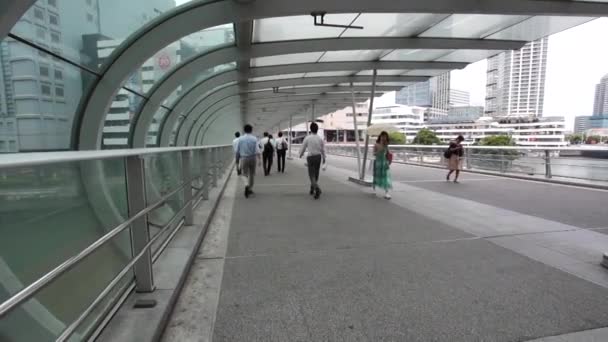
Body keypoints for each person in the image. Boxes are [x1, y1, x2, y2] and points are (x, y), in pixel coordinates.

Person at [299, 122, 326, 199]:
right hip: (318, 157)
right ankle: (312, 189)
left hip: (310, 158)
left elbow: (303, 147)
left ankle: (317, 189)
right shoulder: (320, 138)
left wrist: (300, 154)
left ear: (310, 129)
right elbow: (323, 149)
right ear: (317, 130)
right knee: (316, 174)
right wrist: (324, 158)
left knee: (311, 175)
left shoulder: (307, 138)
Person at [236, 124, 261, 198]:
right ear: (251, 130)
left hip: (244, 158)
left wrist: (237, 160)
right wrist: (259, 159)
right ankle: (250, 188)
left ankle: (246, 184)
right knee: (252, 174)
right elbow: (257, 150)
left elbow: (237, 151)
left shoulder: (240, 139)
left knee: (244, 174)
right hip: (253, 158)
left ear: (244, 130)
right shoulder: (254, 139)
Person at [373, 131, 393, 199]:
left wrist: (388, 162)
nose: (384, 137)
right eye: (383, 136)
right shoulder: (376, 144)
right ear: (380, 136)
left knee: (386, 177)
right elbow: (374, 154)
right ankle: (374, 188)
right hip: (378, 162)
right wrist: (379, 151)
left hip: (384, 162)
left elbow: (387, 154)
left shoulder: (386, 145)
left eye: (385, 136)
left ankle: (386, 193)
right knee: (376, 176)